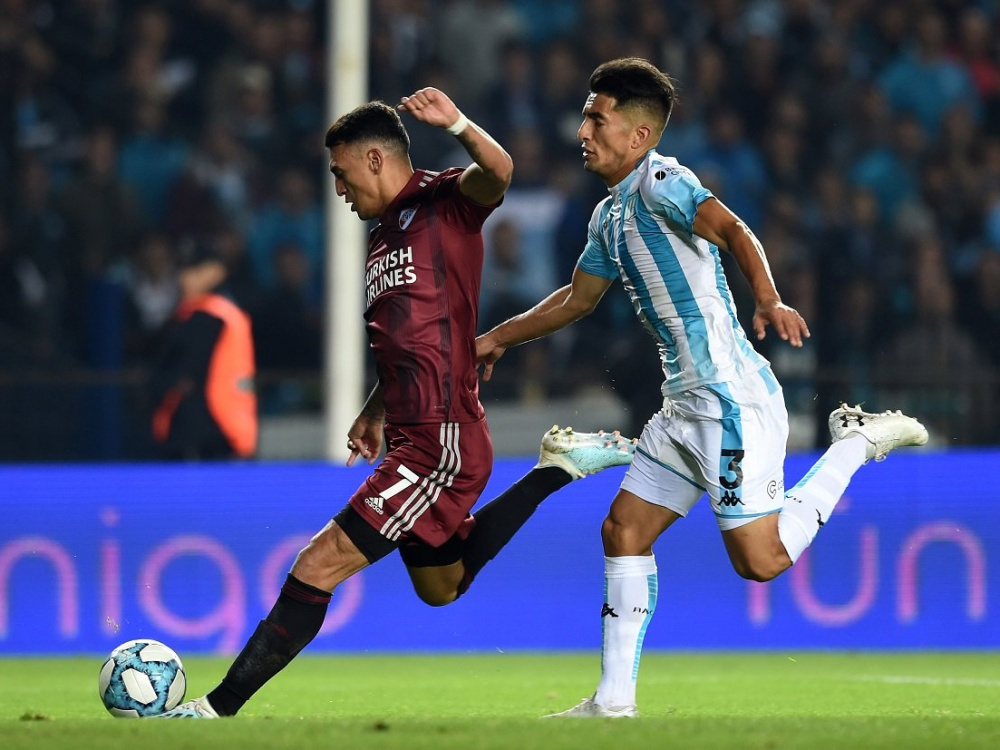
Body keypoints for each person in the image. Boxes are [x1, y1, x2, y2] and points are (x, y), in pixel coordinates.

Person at [475, 58, 929, 718]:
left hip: (729, 398)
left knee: (760, 562)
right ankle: (612, 702)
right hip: (682, 405)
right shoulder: (608, 215)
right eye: (584, 118)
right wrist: (497, 338)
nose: (582, 131)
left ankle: (855, 444)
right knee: (623, 530)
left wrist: (767, 298)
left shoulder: (663, 181)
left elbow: (734, 229)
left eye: (597, 119)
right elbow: (576, 299)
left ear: (638, 135)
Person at [161, 89, 635, 718]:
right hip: (412, 432)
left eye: (341, 173)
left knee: (318, 562)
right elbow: (407, 338)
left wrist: (457, 123)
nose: (338, 188)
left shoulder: (444, 201)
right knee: (442, 586)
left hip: (440, 440)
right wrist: (374, 408)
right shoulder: (384, 236)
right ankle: (556, 469)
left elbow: (500, 171)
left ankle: (213, 710)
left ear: (375, 159)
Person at [150, 250, 257, 461]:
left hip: (205, 430)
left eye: (195, 271)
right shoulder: (226, 313)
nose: (185, 278)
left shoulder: (208, 317)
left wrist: (159, 385)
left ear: (216, 272)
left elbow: (183, 373)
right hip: (228, 429)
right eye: (183, 271)